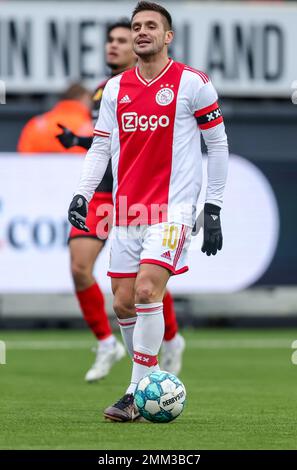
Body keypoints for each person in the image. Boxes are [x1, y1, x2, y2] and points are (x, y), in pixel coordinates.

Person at [68, 1, 228, 421]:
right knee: (122, 303)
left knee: (145, 292)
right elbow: (101, 145)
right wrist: (83, 193)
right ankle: (150, 378)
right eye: (136, 25)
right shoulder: (116, 88)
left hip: (171, 210)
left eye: (150, 26)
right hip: (124, 211)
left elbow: (218, 145)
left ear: (167, 36)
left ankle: (136, 392)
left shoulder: (192, 83)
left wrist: (212, 208)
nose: (141, 32)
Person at [57, 20, 185, 382]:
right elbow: (107, 143)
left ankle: (170, 340)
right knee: (80, 267)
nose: (112, 46)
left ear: (138, 45)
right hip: (103, 193)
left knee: (145, 282)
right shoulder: (105, 91)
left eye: (121, 40)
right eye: (109, 40)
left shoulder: (162, 86)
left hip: (139, 194)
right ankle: (105, 343)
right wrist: (77, 142)